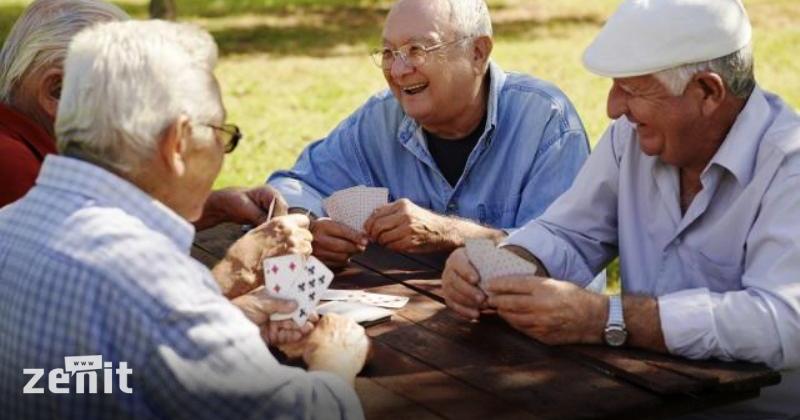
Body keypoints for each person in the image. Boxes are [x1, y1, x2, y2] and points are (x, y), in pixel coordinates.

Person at [441, 0, 800, 417]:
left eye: (632, 90)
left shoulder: (789, 165)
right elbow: (569, 233)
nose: (613, 108)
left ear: (707, 92)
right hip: (642, 399)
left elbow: (784, 322)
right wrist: (501, 264)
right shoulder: (630, 138)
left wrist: (610, 318)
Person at [0, 20, 367, 419]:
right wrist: (336, 360)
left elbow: (88, 372)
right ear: (177, 143)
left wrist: (228, 322)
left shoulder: (10, 223)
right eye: (221, 134)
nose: (221, 153)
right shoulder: (154, 278)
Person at [268, 0, 590, 267]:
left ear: (477, 53)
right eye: (389, 53)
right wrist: (307, 224)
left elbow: (561, 262)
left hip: (519, 337)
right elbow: (293, 186)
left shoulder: (547, 122)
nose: (397, 70)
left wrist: (449, 233)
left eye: (417, 49)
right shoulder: (380, 120)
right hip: (409, 336)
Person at [0, 0, 285, 231]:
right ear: (56, 92)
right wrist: (239, 271)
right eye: (129, 91)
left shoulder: (40, 148)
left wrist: (211, 207)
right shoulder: (14, 163)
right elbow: (103, 266)